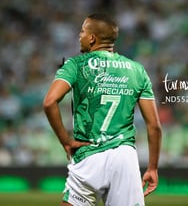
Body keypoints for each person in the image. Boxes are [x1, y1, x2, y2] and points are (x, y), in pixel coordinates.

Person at [43, 13, 162, 206]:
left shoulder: (75, 64)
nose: (79, 35)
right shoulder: (137, 70)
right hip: (125, 158)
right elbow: (154, 125)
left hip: (89, 155)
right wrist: (153, 167)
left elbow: (49, 102)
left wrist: (65, 141)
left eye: (82, 31)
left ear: (92, 38)